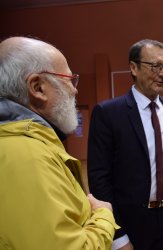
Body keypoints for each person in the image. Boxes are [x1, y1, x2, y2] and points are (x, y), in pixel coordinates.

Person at [0, 37, 118, 249]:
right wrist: (104, 215)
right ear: (38, 87)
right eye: (69, 79)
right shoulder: (28, 157)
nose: (75, 90)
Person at [87, 39, 163, 250]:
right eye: (156, 66)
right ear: (133, 67)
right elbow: (99, 178)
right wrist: (118, 235)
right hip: (131, 222)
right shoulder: (108, 113)